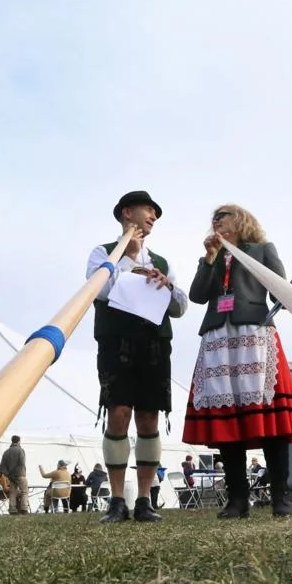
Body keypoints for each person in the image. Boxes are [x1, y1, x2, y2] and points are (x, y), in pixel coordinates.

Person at [182, 204, 292, 518]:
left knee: (270, 417)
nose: (215, 221)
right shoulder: (210, 256)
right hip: (217, 337)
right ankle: (237, 500)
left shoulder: (262, 249)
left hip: (255, 333)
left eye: (222, 216)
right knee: (227, 415)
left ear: (239, 220)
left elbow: (279, 293)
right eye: (214, 218)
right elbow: (197, 295)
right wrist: (209, 259)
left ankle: (281, 496)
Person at [86, 190, 189, 523]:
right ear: (127, 213)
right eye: (149, 209)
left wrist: (166, 285)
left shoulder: (162, 261)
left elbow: (181, 307)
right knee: (118, 412)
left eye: (156, 213)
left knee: (149, 417)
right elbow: (97, 290)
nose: (154, 216)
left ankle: (145, 500)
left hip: (154, 343)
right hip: (117, 341)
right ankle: (117, 499)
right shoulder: (102, 253)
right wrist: (128, 260)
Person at [0, 434, 29, 514]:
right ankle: (24, 509)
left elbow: (1, 466)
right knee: (24, 491)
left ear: (12, 441)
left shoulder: (6, 452)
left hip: (10, 476)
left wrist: (8, 474)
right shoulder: (20, 450)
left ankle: (12, 510)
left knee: (12, 493)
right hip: (20, 474)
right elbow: (22, 463)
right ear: (19, 441)